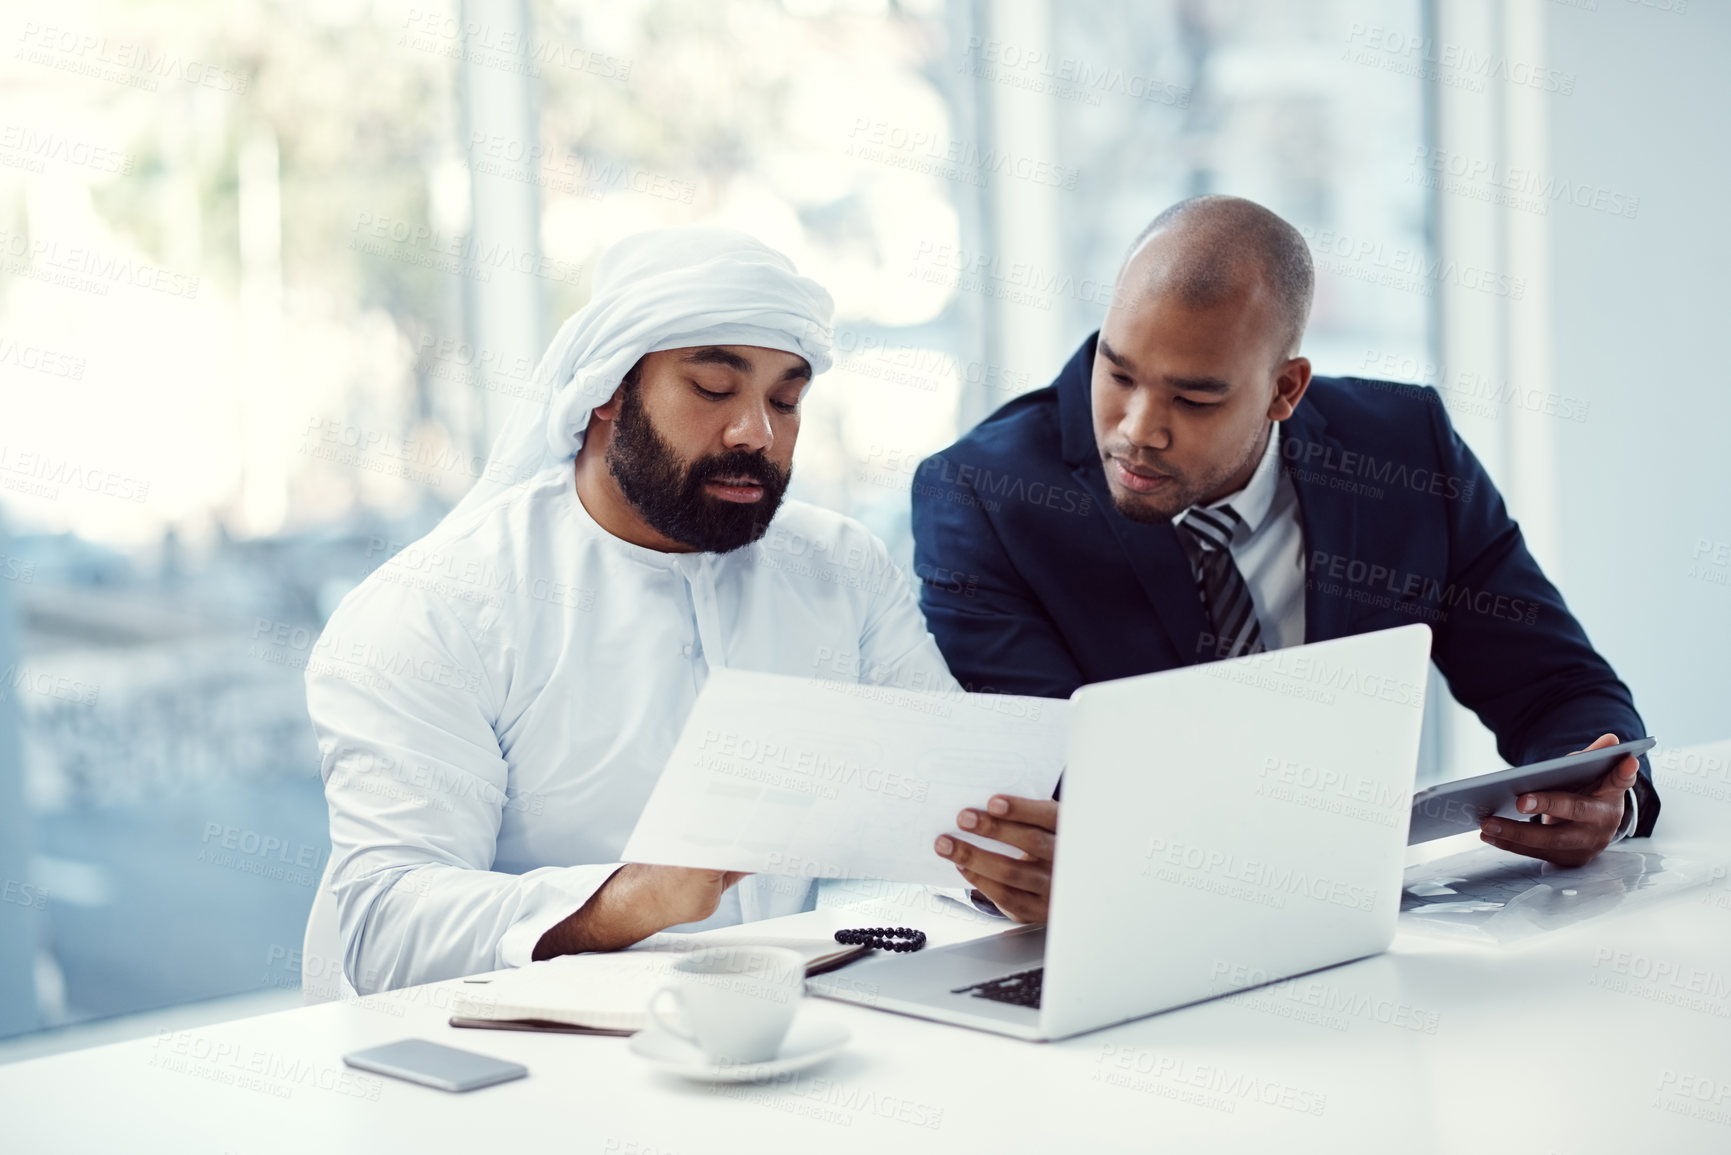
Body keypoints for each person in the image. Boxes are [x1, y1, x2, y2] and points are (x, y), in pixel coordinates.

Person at [911, 195, 1658, 922]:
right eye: (1117, 373)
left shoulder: (1406, 452)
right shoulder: (984, 497)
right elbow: (1042, 783)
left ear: (1284, 390)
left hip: (1367, 926)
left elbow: (1556, 686)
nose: (1138, 431)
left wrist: (1601, 797)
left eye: (1194, 399)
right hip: (1140, 933)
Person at [306, 228, 958, 994]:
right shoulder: (436, 608)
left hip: (784, 1033)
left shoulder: (841, 571)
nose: (759, 431)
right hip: (523, 1065)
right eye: (714, 389)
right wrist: (624, 900)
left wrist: (1011, 855)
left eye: (785, 398)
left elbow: (948, 797)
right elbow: (387, 926)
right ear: (608, 390)